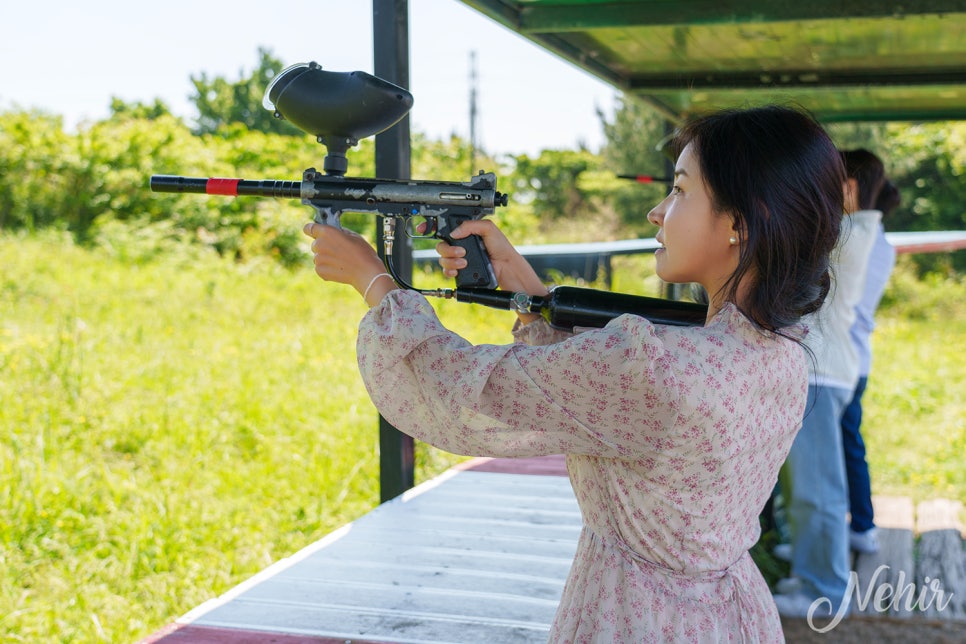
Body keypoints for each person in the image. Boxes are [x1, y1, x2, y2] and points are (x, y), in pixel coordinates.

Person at [303, 105, 844, 641]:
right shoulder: (781, 350)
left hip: (633, 618)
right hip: (731, 616)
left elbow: (460, 386)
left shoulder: (654, 368)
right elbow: (606, 398)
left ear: (738, 224)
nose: (657, 212)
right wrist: (527, 292)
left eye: (680, 190)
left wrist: (373, 281)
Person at [772, 149, 886, 619]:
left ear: (850, 187)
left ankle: (824, 592)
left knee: (816, 489)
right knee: (808, 485)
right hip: (826, 368)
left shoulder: (847, 233)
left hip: (821, 371)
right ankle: (810, 566)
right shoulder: (857, 230)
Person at [842, 179, 899, 554]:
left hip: (844, 360)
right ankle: (861, 524)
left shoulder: (855, 239)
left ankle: (860, 526)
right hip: (857, 358)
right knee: (850, 445)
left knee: (844, 449)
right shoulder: (880, 243)